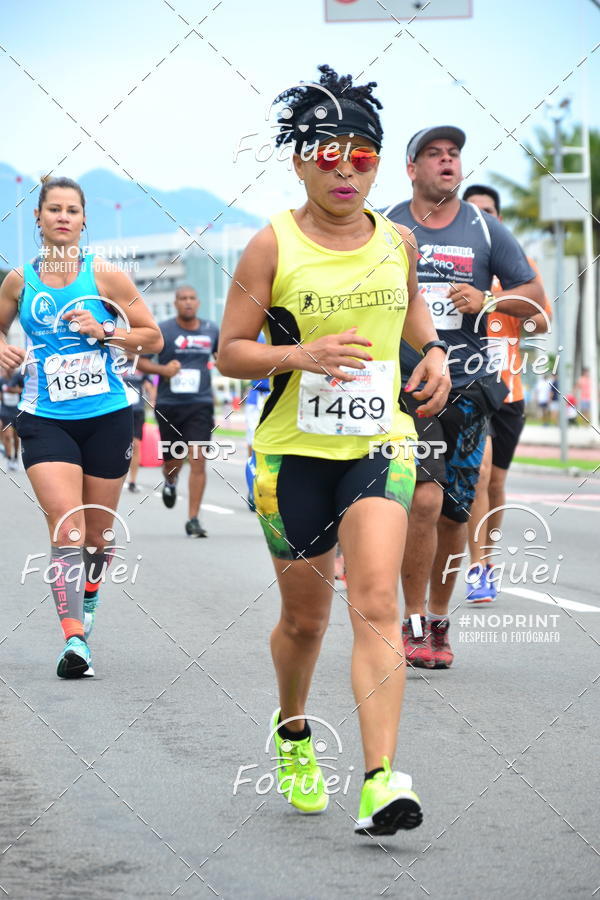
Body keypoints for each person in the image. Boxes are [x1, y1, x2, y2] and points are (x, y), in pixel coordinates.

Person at [218, 66, 451, 836]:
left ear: (378, 162)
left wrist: (437, 354)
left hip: (380, 443)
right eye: (328, 153)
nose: (346, 168)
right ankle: (292, 731)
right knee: (306, 623)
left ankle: (381, 780)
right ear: (299, 160)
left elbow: (411, 308)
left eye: (362, 154)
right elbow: (231, 353)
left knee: (378, 599)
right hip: (291, 458)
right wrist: (300, 355)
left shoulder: (397, 241)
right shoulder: (270, 245)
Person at [382, 127, 544, 668]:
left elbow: (535, 302)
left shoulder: (485, 227)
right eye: (434, 154)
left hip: (471, 390)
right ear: (412, 169)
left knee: (454, 515)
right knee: (423, 502)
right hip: (409, 389)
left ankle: (439, 622)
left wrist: (490, 299)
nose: (447, 161)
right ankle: (412, 620)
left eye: (453, 154)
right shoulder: (386, 225)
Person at [0, 176, 162, 678]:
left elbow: (151, 338)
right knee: (66, 527)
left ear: (84, 220)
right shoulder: (18, 281)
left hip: (108, 416)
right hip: (45, 418)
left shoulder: (106, 276)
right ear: (39, 218)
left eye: (72, 210)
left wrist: (107, 330)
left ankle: (89, 597)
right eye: (54, 209)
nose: (63, 217)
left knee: (97, 534)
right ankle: (74, 640)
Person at [462, 184, 550, 604]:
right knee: (479, 475)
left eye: (491, 212)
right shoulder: (459, 262)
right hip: (471, 386)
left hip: (509, 389)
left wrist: (495, 302)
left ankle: (489, 560)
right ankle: (477, 569)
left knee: (496, 483)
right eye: (477, 211)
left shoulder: (518, 267)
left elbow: (541, 321)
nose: (486, 218)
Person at [136, 286, 219, 538]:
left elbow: (222, 356)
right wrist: (163, 371)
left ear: (198, 302)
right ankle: (170, 481)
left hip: (200, 403)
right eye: (182, 299)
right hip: (169, 405)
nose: (188, 303)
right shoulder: (163, 330)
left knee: (198, 459)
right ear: (175, 303)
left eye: (192, 298)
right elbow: (140, 361)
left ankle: (193, 519)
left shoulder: (212, 329)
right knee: (173, 461)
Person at [244, 333, 270, 511]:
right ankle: (252, 485)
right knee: (253, 442)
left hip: (278, 394)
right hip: (256, 395)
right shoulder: (255, 336)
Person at [123, 364, 155, 493]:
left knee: (136, 445)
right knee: (120, 446)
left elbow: (149, 386)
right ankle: (115, 479)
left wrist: (152, 400)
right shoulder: (116, 361)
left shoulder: (141, 364)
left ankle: (132, 481)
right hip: (120, 409)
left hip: (137, 411)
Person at [0, 368, 23, 470]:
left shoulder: (18, 378)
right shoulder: (1, 380)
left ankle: (15, 457)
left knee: (16, 437)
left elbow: (22, 390)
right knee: (8, 436)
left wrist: (11, 390)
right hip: (6, 412)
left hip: (17, 411)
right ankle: (9, 459)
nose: (9, 370)